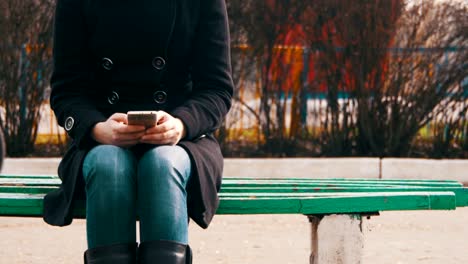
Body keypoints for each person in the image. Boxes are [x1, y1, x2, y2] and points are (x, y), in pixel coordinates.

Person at [42, 0, 234, 263]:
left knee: (162, 165)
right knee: (109, 165)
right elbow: (66, 92)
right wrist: (98, 129)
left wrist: (181, 124)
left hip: (184, 142)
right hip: (100, 143)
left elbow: (217, 89)